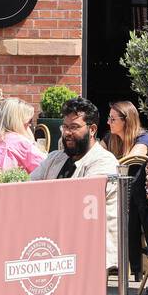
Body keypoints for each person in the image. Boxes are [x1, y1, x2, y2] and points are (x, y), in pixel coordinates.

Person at [30, 96, 119, 270]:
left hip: (88, 246)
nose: (67, 133)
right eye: (65, 127)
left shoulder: (104, 162)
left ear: (92, 129)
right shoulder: (57, 157)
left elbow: (79, 203)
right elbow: (29, 186)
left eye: (74, 127)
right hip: (52, 239)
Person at [0, 97, 45, 174]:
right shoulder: (20, 142)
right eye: (29, 120)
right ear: (18, 121)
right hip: (7, 185)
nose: (30, 125)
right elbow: (47, 168)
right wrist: (30, 140)